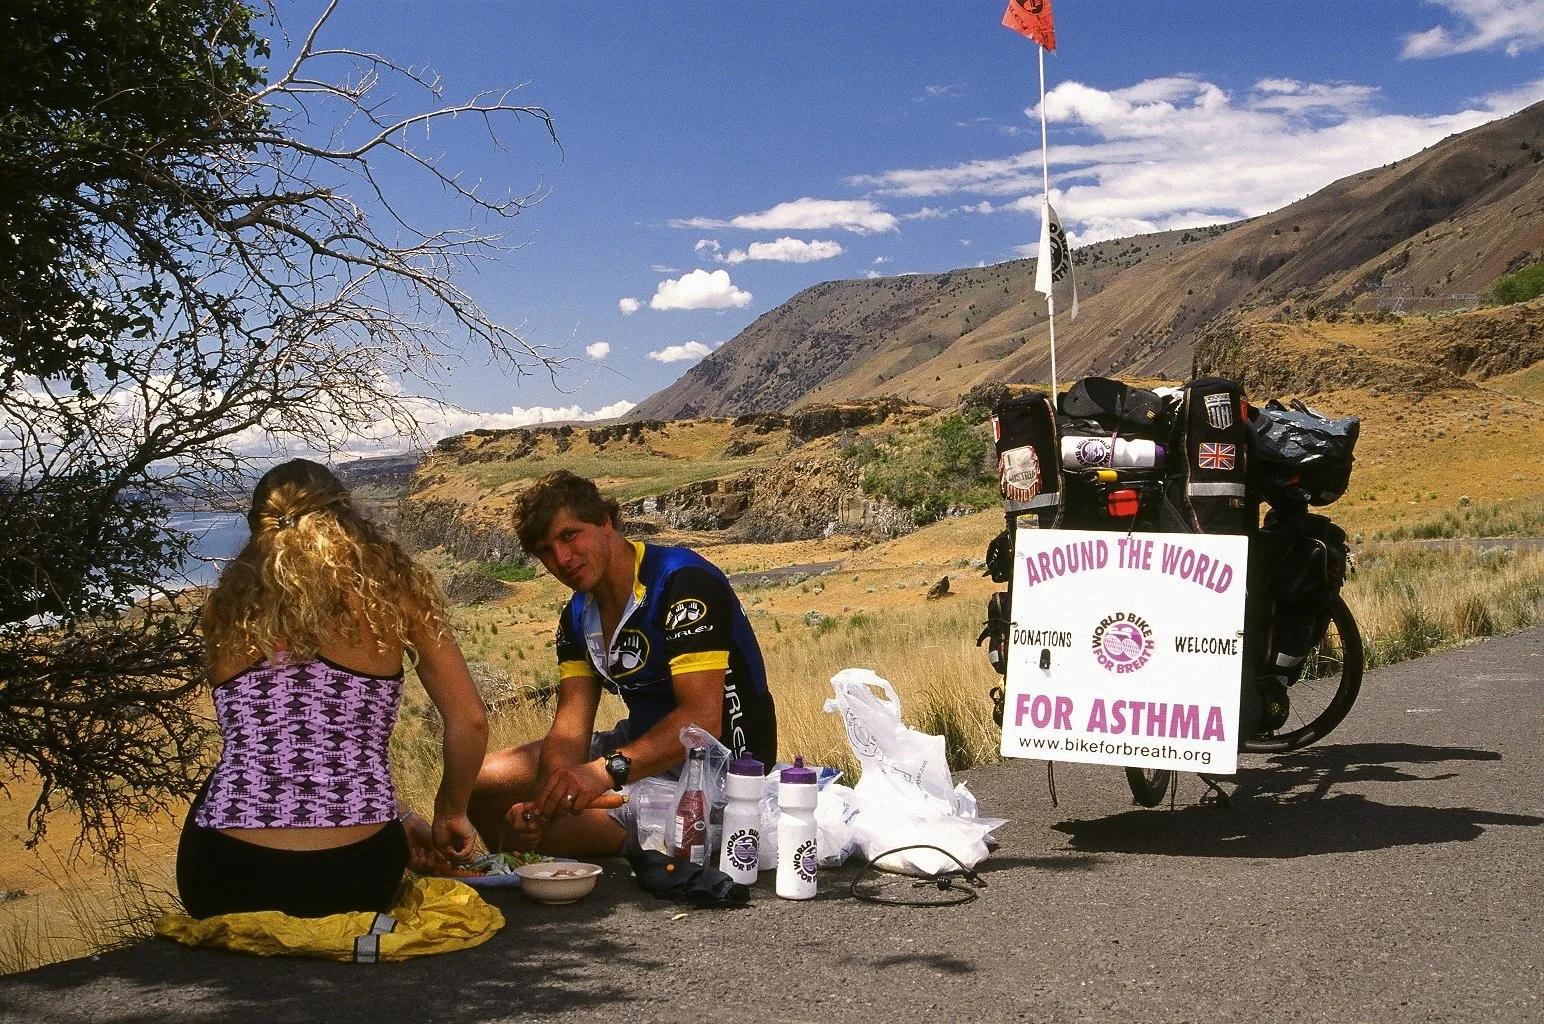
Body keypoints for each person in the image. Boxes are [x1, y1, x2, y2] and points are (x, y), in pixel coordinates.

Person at [178, 459, 488, 918]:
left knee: (245, 762)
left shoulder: (222, 611)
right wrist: (449, 813)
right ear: (346, 515)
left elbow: (282, 749)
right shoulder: (398, 593)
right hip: (354, 876)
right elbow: (470, 720)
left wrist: (404, 816)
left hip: (224, 877)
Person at [469, 471, 776, 857]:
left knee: (551, 838)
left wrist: (601, 773)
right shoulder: (576, 616)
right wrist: (543, 806)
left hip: (718, 769)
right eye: (546, 550)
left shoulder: (681, 583)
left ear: (605, 522)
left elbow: (702, 720)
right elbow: (569, 730)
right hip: (640, 746)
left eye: (569, 535)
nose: (561, 559)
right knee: (480, 785)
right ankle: (521, 881)